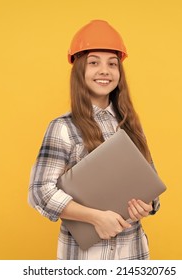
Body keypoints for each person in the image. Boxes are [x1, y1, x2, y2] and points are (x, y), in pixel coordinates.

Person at [28, 19, 160, 260]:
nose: (104, 71)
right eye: (93, 63)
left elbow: (150, 187)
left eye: (112, 64)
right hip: (83, 258)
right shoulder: (63, 127)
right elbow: (39, 192)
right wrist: (95, 217)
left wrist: (147, 205)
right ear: (80, 70)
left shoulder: (130, 125)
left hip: (133, 254)